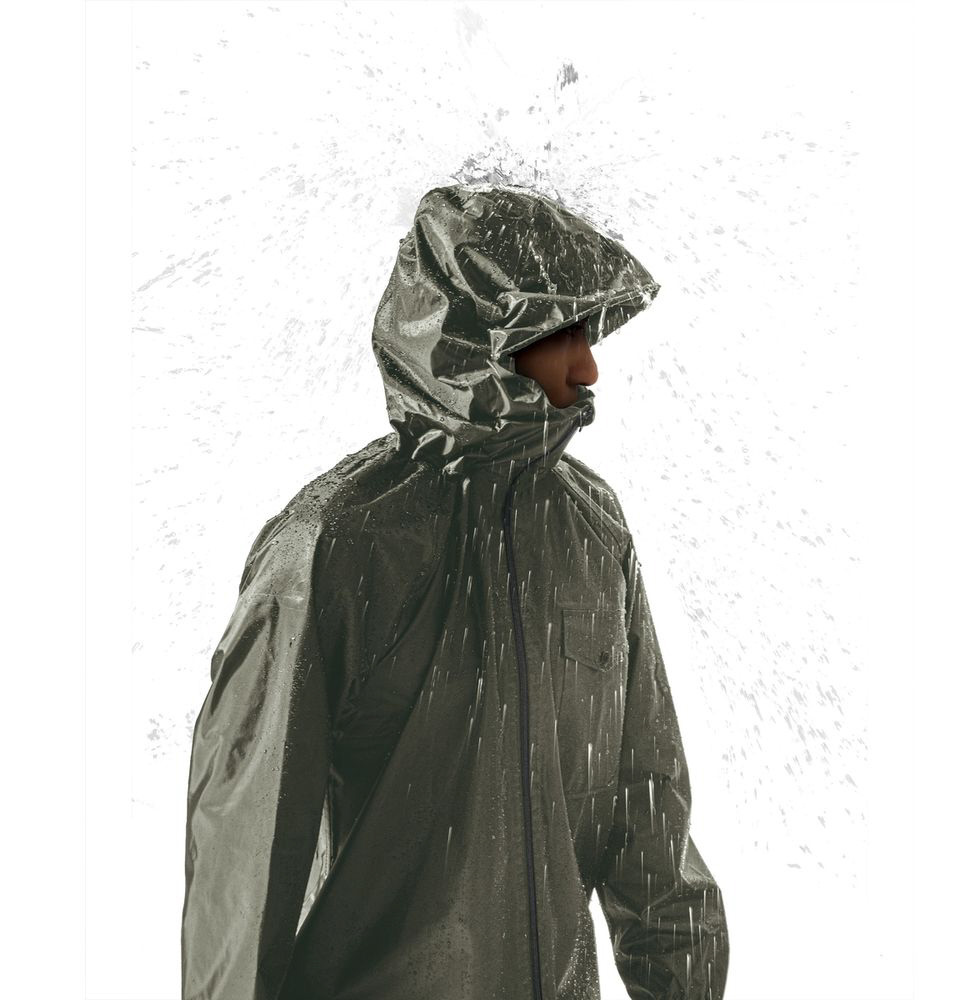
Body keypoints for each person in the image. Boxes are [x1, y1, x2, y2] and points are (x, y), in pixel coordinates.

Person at [181, 182, 730, 1000]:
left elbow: (647, 813)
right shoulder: (335, 547)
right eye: (564, 333)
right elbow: (244, 870)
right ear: (482, 341)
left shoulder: (593, 531)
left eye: (588, 332)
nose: (589, 367)